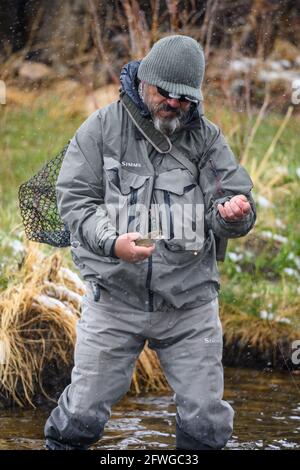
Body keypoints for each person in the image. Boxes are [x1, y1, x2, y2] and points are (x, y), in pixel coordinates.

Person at [44, 34, 256, 450]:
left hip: (190, 306)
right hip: (113, 301)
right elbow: (75, 200)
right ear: (144, 82)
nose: (174, 103)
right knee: (80, 419)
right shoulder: (101, 129)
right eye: (166, 93)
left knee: (206, 426)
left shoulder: (207, 139)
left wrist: (236, 214)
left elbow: (229, 203)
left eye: (185, 97)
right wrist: (111, 242)